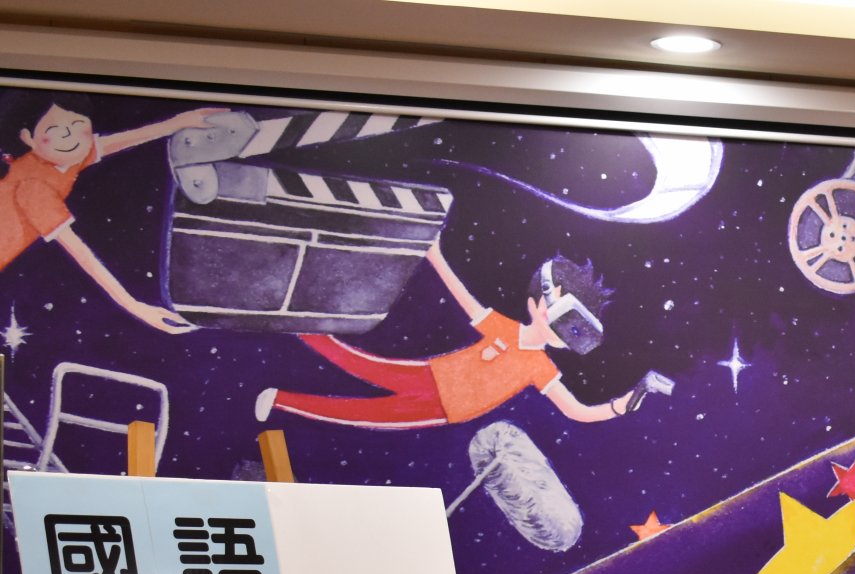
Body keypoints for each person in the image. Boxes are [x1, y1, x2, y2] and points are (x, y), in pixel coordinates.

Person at [256, 240, 648, 429]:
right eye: (554, 305)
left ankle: (280, 400)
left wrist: (619, 406)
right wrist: (437, 257)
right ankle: (295, 325)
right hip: (433, 375)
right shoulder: (506, 327)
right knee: (360, 363)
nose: (555, 320)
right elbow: (466, 301)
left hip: (447, 409)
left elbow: (575, 410)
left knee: (363, 414)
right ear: (535, 301)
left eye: (570, 320)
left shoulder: (540, 367)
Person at [1, 92, 218, 332]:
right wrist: (135, 307)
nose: (69, 136)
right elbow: (82, 254)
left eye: (78, 125)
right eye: (55, 130)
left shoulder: (58, 156)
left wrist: (177, 123)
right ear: (28, 138)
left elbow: (110, 143)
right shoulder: (33, 187)